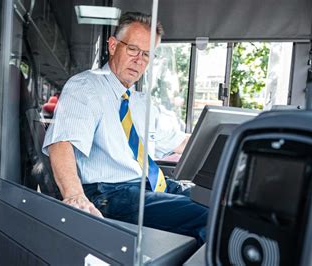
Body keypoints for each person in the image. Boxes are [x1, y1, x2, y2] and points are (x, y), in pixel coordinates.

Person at [43, 12, 208, 246]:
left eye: (147, 54)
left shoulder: (141, 103)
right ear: (112, 46)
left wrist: (233, 147)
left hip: (151, 187)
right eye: (133, 49)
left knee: (220, 204)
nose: (139, 60)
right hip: (110, 194)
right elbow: (62, 142)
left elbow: (181, 143)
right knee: (208, 216)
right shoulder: (85, 87)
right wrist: (74, 195)